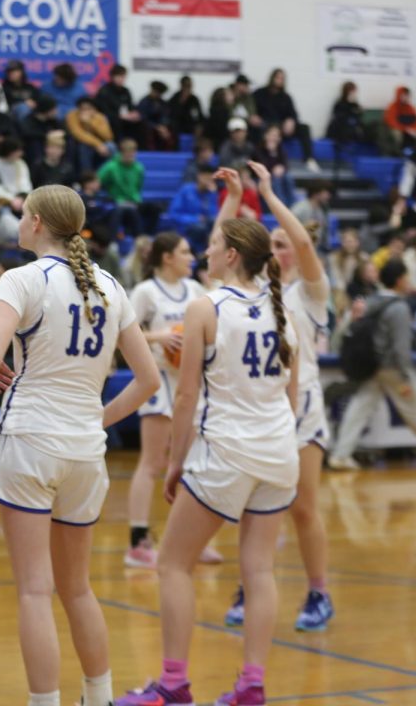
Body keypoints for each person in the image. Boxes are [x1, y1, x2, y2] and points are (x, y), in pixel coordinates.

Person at [0, 184, 158, 706]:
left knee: (35, 589)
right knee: (78, 588)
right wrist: (98, 419)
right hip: (83, 449)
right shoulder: (111, 285)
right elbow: (147, 382)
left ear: (34, 223)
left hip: (29, 439)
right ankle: (98, 698)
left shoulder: (21, 279)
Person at [115, 218, 298, 706]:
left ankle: (173, 684)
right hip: (280, 453)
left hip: (227, 452)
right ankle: (251, 686)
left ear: (233, 254)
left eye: (214, 244)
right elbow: (292, 396)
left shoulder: (204, 307)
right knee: (258, 571)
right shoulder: (284, 309)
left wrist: (176, 461)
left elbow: (186, 394)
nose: (206, 251)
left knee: (173, 565)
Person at [220, 161, 337, 634]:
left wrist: (267, 195)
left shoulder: (310, 294)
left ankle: (319, 591)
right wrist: (232, 200)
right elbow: (220, 251)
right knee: (254, 506)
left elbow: (305, 243)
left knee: (303, 506)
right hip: (260, 408)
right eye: (271, 244)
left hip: (303, 407)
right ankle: (250, 586)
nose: (276, 249)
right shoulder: (250, 290)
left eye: (281, 244)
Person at [124, 232, 222, 570]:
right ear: (166, 257)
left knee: (193, 462)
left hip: (190, 383)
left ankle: (194, 539)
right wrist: (160, 336)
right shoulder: (146, 291)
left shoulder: (196, 291)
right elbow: (122, 332)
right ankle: (138, 542)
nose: (191, 257)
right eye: (184, 251)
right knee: (152, 463)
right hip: (158, 380)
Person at [329, 259, 416, 471]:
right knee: (413, 408)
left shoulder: (369, 301)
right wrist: (406, 375)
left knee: (360, 406)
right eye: (406, 277)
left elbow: (343, 330)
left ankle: (341, 454)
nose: (408, 281)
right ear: (399, 280)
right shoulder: (399, 307)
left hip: (371, 366)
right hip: (391, 369)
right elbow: (400, 346)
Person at [254, 68, 318, 171]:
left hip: (283, 128)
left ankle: (309, 159)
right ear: (272, 78)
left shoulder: (286, 97)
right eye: (278, 77)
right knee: (260, 128)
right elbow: (253, 112)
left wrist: (291, 121)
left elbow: (293, 114)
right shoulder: (259, 93)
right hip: (266, 127)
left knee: (304, 128)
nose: (280, 80)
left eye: (282, 78)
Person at [165, 165, 220, 251]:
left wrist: (212, 195)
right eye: (206, 177)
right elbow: (173, 214)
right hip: (186, 226)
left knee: (214, 224)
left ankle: (210, 252)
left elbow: (214, 215)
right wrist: (194, 219)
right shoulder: (186, 190)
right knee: (200, 228)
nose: (208, 181)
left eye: (211, 178)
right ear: (199, 176)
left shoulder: (211, 194)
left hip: (205, 227)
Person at [97, 139, 145, 238]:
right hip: (117, 201)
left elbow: (139, 187)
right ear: (121, 153)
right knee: (125, 211)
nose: (130, 155)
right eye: (128, 153)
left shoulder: (139, 168)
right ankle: (113, 242)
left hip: (134, 202)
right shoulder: (111, 167)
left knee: (155, 209)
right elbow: (97, 181)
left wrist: (136, 199)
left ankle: (144, 240)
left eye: (132, 153)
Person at [95, 64, 141, 142]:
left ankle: (138, 149)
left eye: (123, 77)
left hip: (124, 118)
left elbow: (130, 106)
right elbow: (104, 111)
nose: (121, 79)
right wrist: (120, 116)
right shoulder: (104, 91)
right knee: (116, 122)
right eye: (118, 76)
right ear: (112, 77)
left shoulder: (126, 91)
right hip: (110, 119)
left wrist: (134, 113)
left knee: (140, 123)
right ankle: (118, 148)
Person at [66, 96, 114, 172]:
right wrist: (98, 144)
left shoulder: (99, 117)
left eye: (88, 108)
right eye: (82, 109)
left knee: (111, 146)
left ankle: (107, 173)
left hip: (101, 144)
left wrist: (90, 122)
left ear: (94, 109)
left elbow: (108, 136)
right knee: (84, 147)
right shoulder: (72, 116)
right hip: (81, 144)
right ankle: (87, 175)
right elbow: (78, 134)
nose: (85, 111)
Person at [252, 124, 295, 205]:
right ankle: (281, 206)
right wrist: (271, 152)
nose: (274, 138)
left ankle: (292, 205)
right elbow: (263, 167)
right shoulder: (258, 150)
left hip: (276, 175)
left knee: (288, 177)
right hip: (261, 178)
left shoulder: (280, 149)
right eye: (272, 135)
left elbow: (285, 164)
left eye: (276, 136)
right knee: (276, 180)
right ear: (265, 136)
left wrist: (282, 168)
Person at [291, 184, 333, 254]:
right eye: (325, 193)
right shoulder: (300, 209)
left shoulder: (321, 210)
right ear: (316, 194)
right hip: (299, 248)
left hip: (315, 249)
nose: (328, 196)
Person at [382, 86, 416, 154]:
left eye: (407, 95)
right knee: (397, 134)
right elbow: (391, 122)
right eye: (403, 95)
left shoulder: (411, 108)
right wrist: (406, 129)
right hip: (397, 128)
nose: (405, 97)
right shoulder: (392, 107)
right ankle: (398, 153)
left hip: (410, 129)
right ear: (399, 95)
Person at [137, 80, 175, 151]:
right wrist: (156, 127)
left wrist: (163, 127)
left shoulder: (163, 103)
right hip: (149, 127)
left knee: (173, 127)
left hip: (160, 127)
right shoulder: (144, 102)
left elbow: (165, 116)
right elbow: (143, 118)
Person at [327, 81, 364, 148]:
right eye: (352, 91)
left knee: (360, 129)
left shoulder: (355, 103)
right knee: (346, 127)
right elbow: (339, 117)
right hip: (340, 128)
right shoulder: (340, 102)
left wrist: (357, 109)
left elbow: (359, 116)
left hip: (352, 127)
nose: (354, 93)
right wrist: (350, 106)